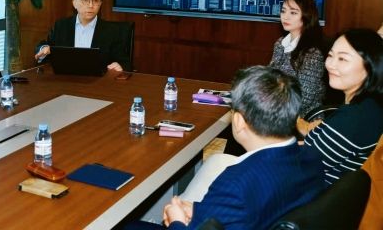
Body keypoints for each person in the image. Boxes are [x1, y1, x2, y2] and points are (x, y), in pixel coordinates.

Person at [129, 66, 325, 230]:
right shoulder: (311, 156)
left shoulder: (235, 184)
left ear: (238, 121)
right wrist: (198, 210)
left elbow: (239, 203)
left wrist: (177, 221)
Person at [302, 28, 383, 185]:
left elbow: (301, 169)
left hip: (311, 194)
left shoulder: (354, 119)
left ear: (370, 66)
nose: (330, 64)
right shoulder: (371, 106)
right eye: (330, 55)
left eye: (342, 59)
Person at [34, 0, 131, 71]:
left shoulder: (112, 31)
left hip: (99, 82)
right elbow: (44, 46)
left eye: (95, 0)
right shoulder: (61, 26)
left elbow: (125, 63)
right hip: (65, 80)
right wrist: (44, 49)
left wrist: (120, 66)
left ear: (100, 4)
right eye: (85, 0)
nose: (91, 5)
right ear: (74, 3)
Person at [269, 0, 326, 118]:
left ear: (306, 16)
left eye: (293, 12)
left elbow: (304, 99)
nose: (285, 16)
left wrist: (269, 105)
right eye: (283, 11)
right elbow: (269, 78)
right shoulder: (280, 44)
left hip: (302, 118)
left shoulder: (312, 53)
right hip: (276, 110)